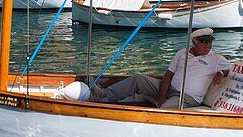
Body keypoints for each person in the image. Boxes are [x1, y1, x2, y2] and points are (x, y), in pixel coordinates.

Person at [88, 29, 233, 108]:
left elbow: (235, 70)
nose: (207, 45)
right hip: (169, 89)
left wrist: (220, 73)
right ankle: (103, 95)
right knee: (139, 79)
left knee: (164, 109)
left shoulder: (216, 60)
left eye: (210, 42)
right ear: (194, 42)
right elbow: (168, 76)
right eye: (203, 41)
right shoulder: (182, 53)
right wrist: (162, 96)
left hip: (188, 99)